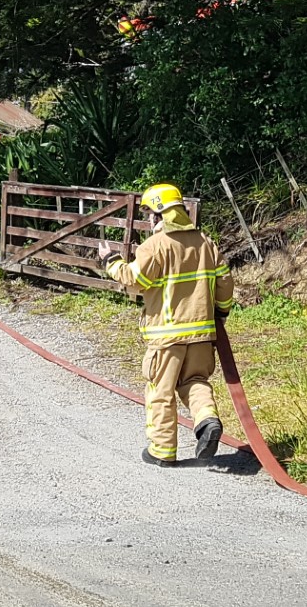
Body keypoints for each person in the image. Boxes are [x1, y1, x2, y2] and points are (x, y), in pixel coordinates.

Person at [100, 183, 233, 467]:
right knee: (195, 381)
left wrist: (110, 261)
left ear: (160, 215)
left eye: (150, 214)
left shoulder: (155, 246)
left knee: (160, 391)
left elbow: (136, 279)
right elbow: (224, 281)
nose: (148, 220)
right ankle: (207, 420)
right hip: (201, 335)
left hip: (166, 337)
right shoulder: (205, 243)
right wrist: (220, 312)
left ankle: (162, 451)